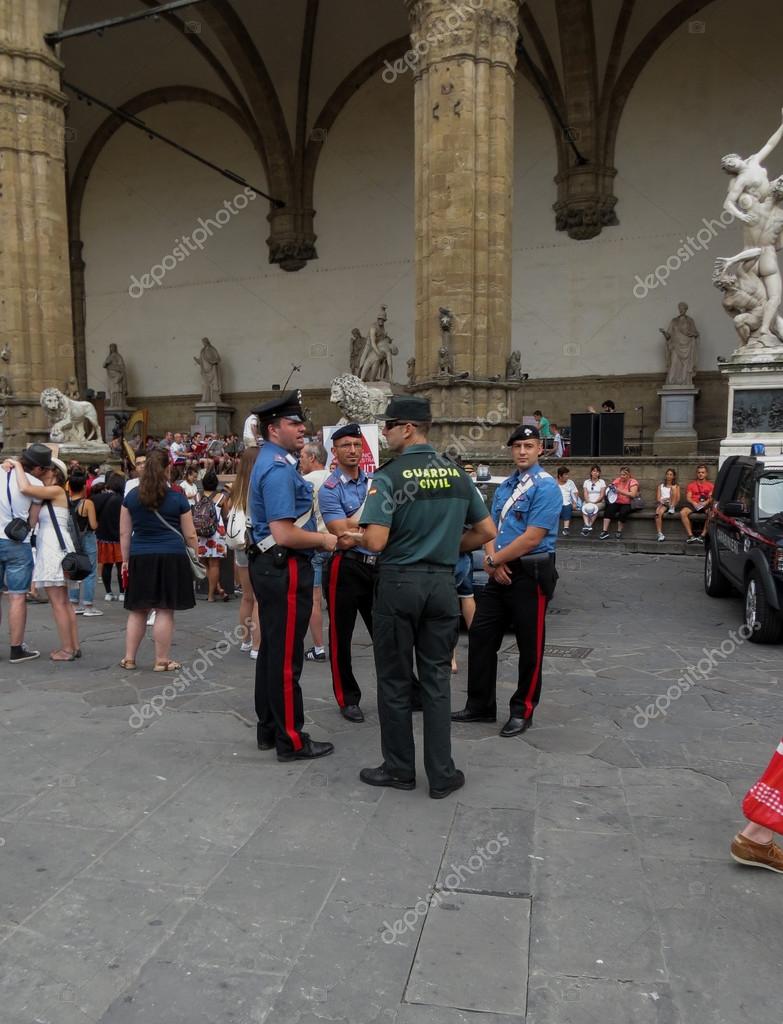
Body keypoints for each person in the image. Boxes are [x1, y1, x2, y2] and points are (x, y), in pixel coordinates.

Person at [359, 396, 496, 797]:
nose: (383, 433)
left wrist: (359, 535)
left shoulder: (388, 476)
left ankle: (399, 768)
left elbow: (377, 540)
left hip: (399, 584)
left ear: (407, 428)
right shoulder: (454, 473)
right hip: (441, 586)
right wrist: (447, 548)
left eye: (387, 426)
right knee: (437, 680)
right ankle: (442, 773)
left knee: (395, 679)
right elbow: (486, 531)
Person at [452, 424, 561, 737]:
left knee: (530, 646)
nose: (523, 452)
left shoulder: (546, 487)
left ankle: (522, 711)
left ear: (540, 448)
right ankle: (480, 705)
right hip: (498, 571)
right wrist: (492, 560)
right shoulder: (505, 487)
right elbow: (488, 528)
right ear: (511, 450)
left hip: (530, 573)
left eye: (528, 446)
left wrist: (493, 560)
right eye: (517, 447)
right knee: (482, 636)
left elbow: (533, 537)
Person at [246, 390, 338, 761]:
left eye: (301, 421)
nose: (303, 428)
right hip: (284, 566)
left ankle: (269, 729)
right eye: (293, 423)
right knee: (286, 658)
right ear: (273, 429)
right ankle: (291, 739)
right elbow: (284, 533)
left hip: (272, 566)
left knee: (272, 650)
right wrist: (325, 540)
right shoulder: (279, 468)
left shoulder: (272, 460)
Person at [119, 448, 197, 671]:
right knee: (164, 609)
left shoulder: (131, 497)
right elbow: (190, 533)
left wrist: (125, 559)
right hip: (171, 555)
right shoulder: (177, 497)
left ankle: (129, 658)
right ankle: (161, 660)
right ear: (168, 468)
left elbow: (125, 533)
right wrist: (196, 554)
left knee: (138, 610)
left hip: (140, 555)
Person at [318, 423, 373, 722]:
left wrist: (358, 526)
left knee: (388, 634)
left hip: (376, 566)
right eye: (345, 446)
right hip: (346, 566)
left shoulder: (373, 482)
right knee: (341, 636)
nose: (352, 450)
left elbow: (384, 526)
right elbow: (340, 533)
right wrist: (370, 514)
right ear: (334, 451)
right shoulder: (330, 489)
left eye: (356, 445)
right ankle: (348, 698)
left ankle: (404, 689)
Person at [9, 455, 80, 661]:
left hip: (52, 546)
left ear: (54, 473)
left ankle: (67, 649)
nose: (39, 472)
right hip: (56, 545)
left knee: (58, 602)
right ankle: (73, 645)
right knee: (64, 602)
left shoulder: (56, 490)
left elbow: (24, 488)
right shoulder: (51, 493)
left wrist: (17, 465)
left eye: (46, 469)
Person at [0, 444, 50, 662]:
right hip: (16, 543)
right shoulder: (36, 484)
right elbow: (32, 520)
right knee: (18, 596)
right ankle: (16, 649)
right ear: (37, 468)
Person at [224, 448, 261, 659]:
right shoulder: (258, 488)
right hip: (256, 545)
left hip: (239, 546)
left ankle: (246, 641)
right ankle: (257, 646)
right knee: (259, 599)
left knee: (247, 597)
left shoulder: (235, 490)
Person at [299, 440, 331, 662]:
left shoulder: (305, 482)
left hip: (315, 546)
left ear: (312, 457)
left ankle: (319, 648)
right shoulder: (335, 478)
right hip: (337, 543)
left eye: (302, 456)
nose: (299, 460)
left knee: (314, 600)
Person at [67, 467, 102, 616]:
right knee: (90, 571)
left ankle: (74, 603)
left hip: (71, 538)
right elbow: (93, 525)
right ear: (83, 487)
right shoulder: (87, 503)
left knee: (74, 570)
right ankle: (88, 605)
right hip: (87, 537)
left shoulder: (65, 502)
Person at [194, 468, 229, 600]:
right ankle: (211, 595)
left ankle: (218, 589)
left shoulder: (197, 496)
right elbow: (225, 515)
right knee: (214, 564)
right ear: (216, 484)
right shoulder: (221, 497)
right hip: (216, 532)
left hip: (200, 531)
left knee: (204, 562)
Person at [93, 472, 126, 599]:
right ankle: (122, 592)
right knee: (120, 565)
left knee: (106, 565)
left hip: (104, 536)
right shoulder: (123, 500)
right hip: (119, 537)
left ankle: (108, 593)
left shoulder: (99, 498)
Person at [451, 551, 476, 673]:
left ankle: (451, 658)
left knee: (449, 599)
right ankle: (478, 647)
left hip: (444, 552)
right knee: (467, 596)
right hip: (463, 550)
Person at [599, 465, 640, 540]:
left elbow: (633, 494)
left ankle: (619, 531)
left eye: (624, 475)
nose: (622, 476)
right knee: (608, 510)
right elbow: (613, 487)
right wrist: (610, 487)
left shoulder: (633, 481)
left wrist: (619, 491)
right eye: (621, 474)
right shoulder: (618, 480)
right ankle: (604, 531)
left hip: (628, 503)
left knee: (623, 512)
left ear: (628, 475)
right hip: (617, 501)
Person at [680, 464, 714, 543]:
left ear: (706, 474)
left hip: (705, 505)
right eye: (699, 472)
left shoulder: (710, 485)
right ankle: (691, 536)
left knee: (711, 513)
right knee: (682, 512)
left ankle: (702, 536)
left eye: (702, 472)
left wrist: (706, 502)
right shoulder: (691, 485)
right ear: (697, 474)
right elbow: (688, 497)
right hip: (694, 504)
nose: (700, 474)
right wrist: (694, 503)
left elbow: (711, 497)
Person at [654, 468, 680, 542]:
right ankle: (660, 533)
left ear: (673, 476)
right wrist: (663, 500)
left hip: (672, 502)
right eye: (667, 474)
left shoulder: (676, 486)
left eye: (671, 474)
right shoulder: (660, 486)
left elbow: (678, 498)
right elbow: (658, 498)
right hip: (663, 503)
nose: (669, 476)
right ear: (665, 475)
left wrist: (670, 500)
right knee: (658, 513)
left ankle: (672, 508)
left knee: (673, 488)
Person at [580, 465, 606, 535]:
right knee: (584, 507)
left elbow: (602, 495)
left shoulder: (602, 482)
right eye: (594, 471)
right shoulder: (586, 482)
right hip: (588, 501)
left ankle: (588, 526)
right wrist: (589, 502)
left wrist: (594, 502)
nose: (595, 473)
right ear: (591, 472)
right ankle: (587, 526)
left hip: (599, 502)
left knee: (595, 509)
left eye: (597, 471)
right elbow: (585, 494)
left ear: (599, 473)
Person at [556, 465, 580, 536]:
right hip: (557, 502)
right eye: (565, 475)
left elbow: (575, 493)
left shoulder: (570, 482)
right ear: (560, 476)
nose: (567, 476)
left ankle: (566, 528)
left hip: (568, 502)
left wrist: (575, 503)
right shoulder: (554, 483)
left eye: (567, 474)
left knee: (567, 506)